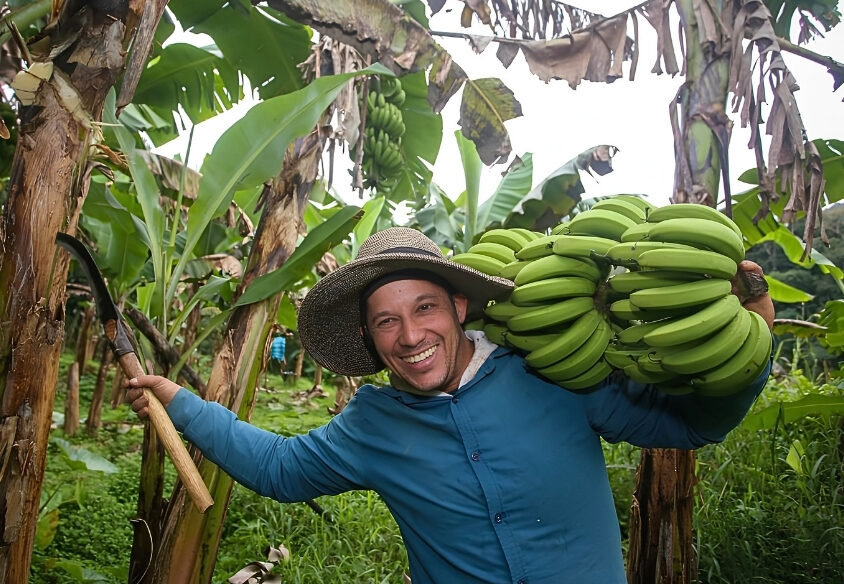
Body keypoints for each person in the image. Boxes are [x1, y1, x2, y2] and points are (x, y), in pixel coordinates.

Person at [126, 226, 775, 584]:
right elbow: (278, 468)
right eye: (386, 321)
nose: (410, 336)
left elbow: (693, 425)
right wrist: (178, 401)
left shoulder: (551, 371)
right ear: (368, 338)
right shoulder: (371, 424)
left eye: (425, 308)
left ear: (459, 307)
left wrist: (749, 346)